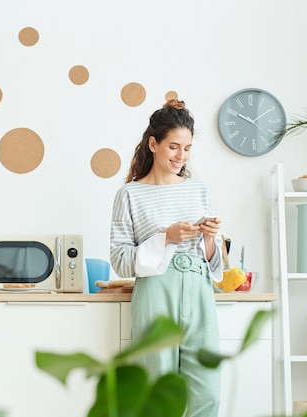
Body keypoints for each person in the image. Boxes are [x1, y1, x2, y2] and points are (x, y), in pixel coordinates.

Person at [110, 98, 223, 417]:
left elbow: (212, 261)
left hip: (199, 291)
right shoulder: (129, 194)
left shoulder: (199, 190)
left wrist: (210, 238)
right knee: (156, 394)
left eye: (187, 149)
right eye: (174, 147)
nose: (181, 156)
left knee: (207, 393)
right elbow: (119, 259)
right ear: (153, 144)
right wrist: (165, 238)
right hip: (156, 292)